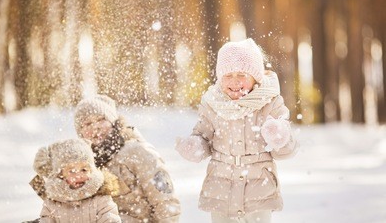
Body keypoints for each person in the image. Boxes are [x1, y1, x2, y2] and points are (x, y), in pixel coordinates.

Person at [175, 38, 299, 223]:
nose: (234, 82)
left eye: (241, 74)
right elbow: (203, 136)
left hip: (258, 190)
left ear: (255, 77)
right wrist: (195, 146)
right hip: (221, 188)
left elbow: (287, 150)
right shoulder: (213, 104)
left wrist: (279, 137)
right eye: (228, 75)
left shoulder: (269, 102)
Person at [74, 94, 181, 223]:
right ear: (80, 132)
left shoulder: (137, 152)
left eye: (101, 119)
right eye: (87, 123)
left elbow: (166, 201)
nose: (95, 127)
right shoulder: (85, 165)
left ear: (113, 122)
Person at [32, 138, 122, 222]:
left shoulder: (101, 199)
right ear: (60, 175)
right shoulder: (52, 204)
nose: (79, 176)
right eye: (72, 171)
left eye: (84, 170)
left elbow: (110, 219)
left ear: (91, 171)